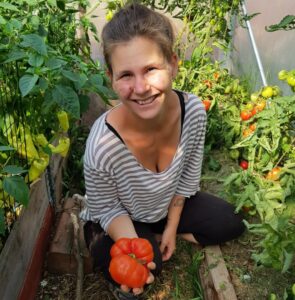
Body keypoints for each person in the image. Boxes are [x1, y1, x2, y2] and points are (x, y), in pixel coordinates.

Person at [80, 3, 245, 299]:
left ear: (172, 64)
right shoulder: (102, 145)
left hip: (165, 205)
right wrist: (135, 254)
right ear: (111, 78)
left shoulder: (193, 111)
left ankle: (158, 233)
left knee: (230, 221)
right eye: (126, 75)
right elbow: (108, 208)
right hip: (120, 218)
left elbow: (186, 179)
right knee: (144, 273)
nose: (141, 87)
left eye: (151, 69)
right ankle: (112, 240)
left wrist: (171, 228)